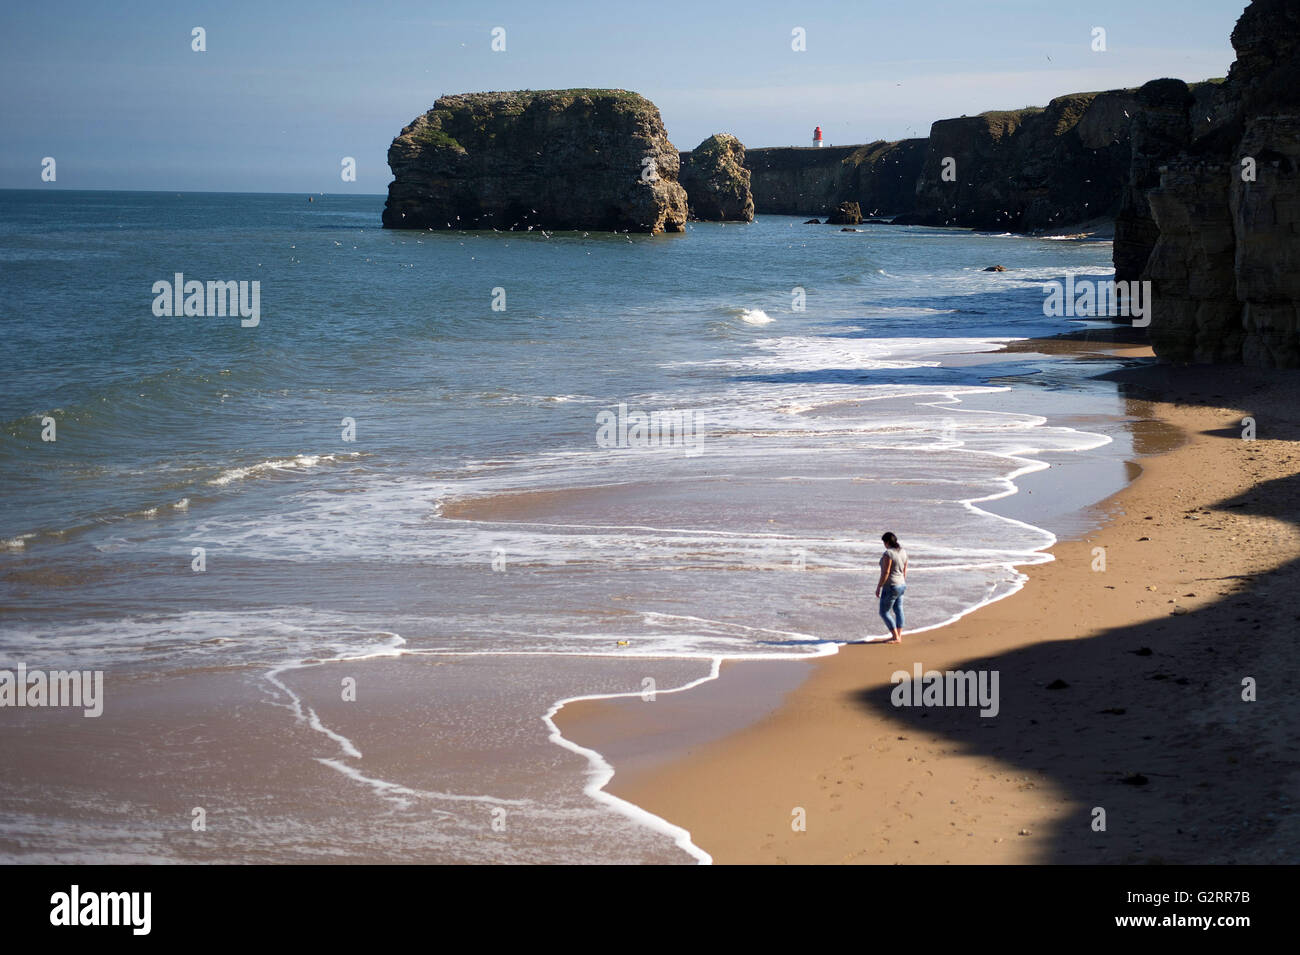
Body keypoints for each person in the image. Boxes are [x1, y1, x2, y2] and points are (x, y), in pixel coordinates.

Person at [874, 531, 907, 643]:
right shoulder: (903, 551)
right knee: (898, 609)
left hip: (891, 586)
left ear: (887, 542)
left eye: (884, 542)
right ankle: (898, 636)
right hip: (901, 584)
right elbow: (905, 569)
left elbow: (886, 572)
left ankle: (895, 637)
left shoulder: (888, 554)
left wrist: (879, 586)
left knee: (884, 612)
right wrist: (902, 581)